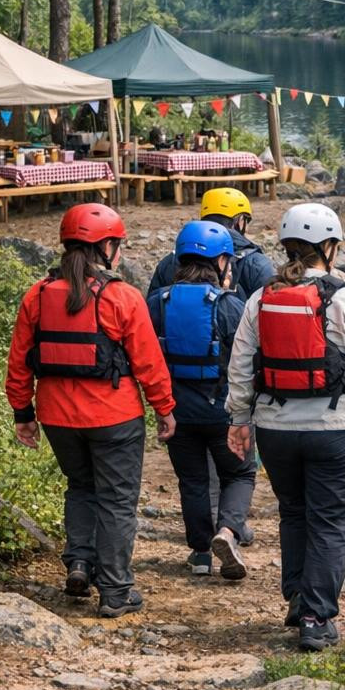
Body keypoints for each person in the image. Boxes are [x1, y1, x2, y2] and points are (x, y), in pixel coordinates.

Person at [225, 203, 345, 652]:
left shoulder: (260, 299)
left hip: (275, 430)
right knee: (329, 522)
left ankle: (299, 596)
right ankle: (316, 617)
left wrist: (239, 419)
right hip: (333, 430)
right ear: (330, 248)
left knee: (294, 513)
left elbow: (241, 365)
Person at [5, 203, 176, 618]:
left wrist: (22, 413)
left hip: (57, 418)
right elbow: (148, 362)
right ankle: (116, 590)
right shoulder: (122, 297)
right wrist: (164, 408)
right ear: (107, 248)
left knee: (81, 487)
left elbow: (19, 360)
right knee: (117, 501)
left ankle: (80, 564)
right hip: (114, 419)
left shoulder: (38, 294)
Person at [146, 222, 256, 581]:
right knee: (240, 474)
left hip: (177, 414)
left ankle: (200, 554)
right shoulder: (230, 306)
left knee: (192, 481)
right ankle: (227, 531)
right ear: (222, 261)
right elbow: (248, 360)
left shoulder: (157, 303)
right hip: (224, 412)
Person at [145, 187, 276, 299]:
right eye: (247, 221)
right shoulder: (257, 263)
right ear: (240, 220)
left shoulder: (171, 260)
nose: (246, 229)